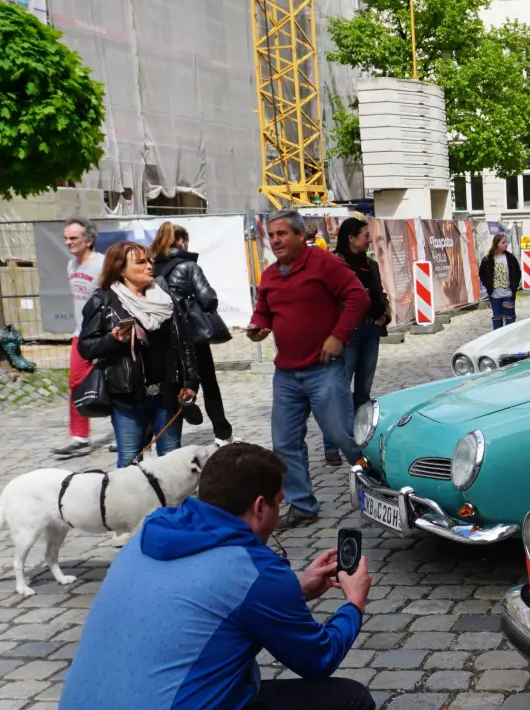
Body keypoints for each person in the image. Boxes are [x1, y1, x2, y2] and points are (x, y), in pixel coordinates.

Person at [57, 442, 374, 710]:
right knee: (350, 704)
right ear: (260, 507)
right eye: (278, 503)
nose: (278, 511)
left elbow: (205, 604)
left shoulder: (152, 532)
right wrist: (354, 604)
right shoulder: (253, 568)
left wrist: (295, 589)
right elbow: (319, 658)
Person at [245, 211, 369, 528]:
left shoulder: (324, 263)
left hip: (323, 368)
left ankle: (378, 486)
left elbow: (358, 296)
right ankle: (302, 505)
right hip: (286, 374)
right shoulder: (271, 274)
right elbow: (264, 311)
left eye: (282, 234)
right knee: (284, 442)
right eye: (271, 235)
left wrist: (338, 337)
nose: (275, 241)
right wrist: (258, 326)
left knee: (342, 435)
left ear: (301, 235)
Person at [78, 242, 199, 468]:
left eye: (149, 261)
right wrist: (113, 340)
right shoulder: (103, 301)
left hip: (167, 394)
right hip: (126, 397)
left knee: (172, 461)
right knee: (129, 461)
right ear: (121, 270)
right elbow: (86, 347)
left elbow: (185, 344)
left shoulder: (166, 299)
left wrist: (191, 381)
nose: (149, 266)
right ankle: (130, 504)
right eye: (140, 262)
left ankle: (170, 504)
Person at [151, 224, 234, 447]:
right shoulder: (188, 267)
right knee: (208, 382)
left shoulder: (149, 267)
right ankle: (222, 432)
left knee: (164, 383)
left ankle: (153, 435)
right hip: (190, 334)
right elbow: (208, 299)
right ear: (179, 241)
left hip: (160, 335)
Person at [322, 218, 390, 467]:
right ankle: (332, 444)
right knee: (338, 391)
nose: (368, 238)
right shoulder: (334, 264)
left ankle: (359, 440)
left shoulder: (369, 264)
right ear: (350, 237)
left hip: (370, 330)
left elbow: (379, 293)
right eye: (364, 234)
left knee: (362, 391)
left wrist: (385, 314)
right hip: (347, 334)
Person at [53, 219, 101, 459]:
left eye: (73, 238)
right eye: (66, 238)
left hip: (104, 335)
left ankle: (129, 432)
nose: (68, 242)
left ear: (88, 240)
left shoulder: (102, 264)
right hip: (80, 335)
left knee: (114, 383)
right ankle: (80, 436)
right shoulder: (71, 266)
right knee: (75, 382)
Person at [479, 233, 520, 330]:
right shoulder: (488, 259)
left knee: (510, 317)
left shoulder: (510, 258)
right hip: (495, 295)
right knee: (497, 317)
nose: (506, 244)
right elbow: (482, 273)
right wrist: (488, 285)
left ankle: (510, 338)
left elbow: (517, 273)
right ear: (496, 243)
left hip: (508, 294)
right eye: (503, 242)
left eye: (506, 242)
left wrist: (514, 287)